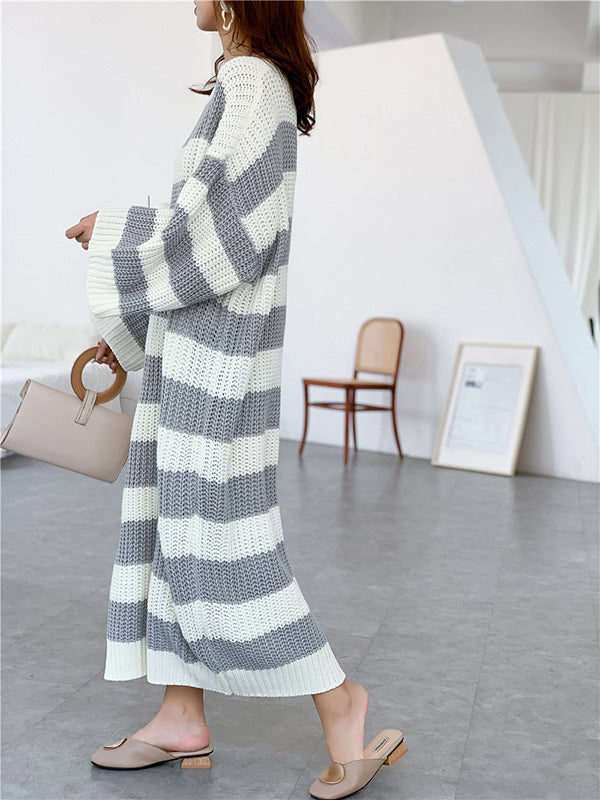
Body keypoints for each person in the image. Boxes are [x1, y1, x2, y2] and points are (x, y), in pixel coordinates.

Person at [65, 2, 405, 796]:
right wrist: (130, 288)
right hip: (197, 355)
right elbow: (212, 231)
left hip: (217, 363)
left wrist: (115, 230)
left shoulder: (252, 85)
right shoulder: (244, 85)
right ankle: (181, 715)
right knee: (176, 535)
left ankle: (340, 700)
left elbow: (226, 238)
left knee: (221, 546)